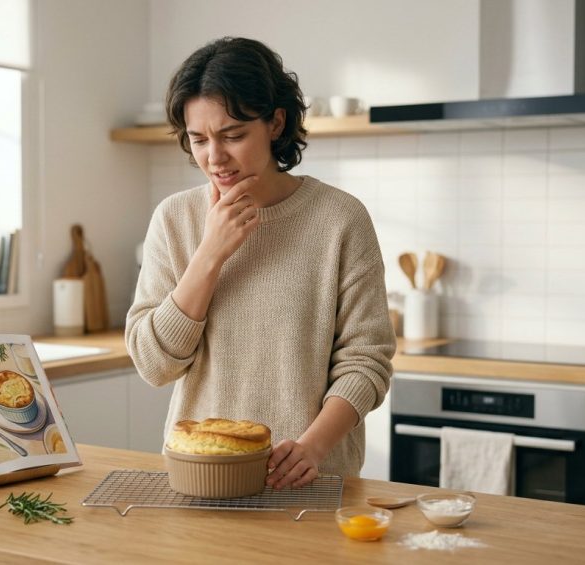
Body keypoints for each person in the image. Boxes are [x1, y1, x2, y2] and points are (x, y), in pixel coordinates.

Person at [125, 36, 394, 489]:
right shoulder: (175, 219)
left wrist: (313, 446)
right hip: (202, 478)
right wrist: (210, 254)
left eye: (232, 135)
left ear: (275, 122)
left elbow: (366, 361)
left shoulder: (339, 219)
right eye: (198, 140)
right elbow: (153, 365)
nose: (215, 157)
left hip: (310, 480)